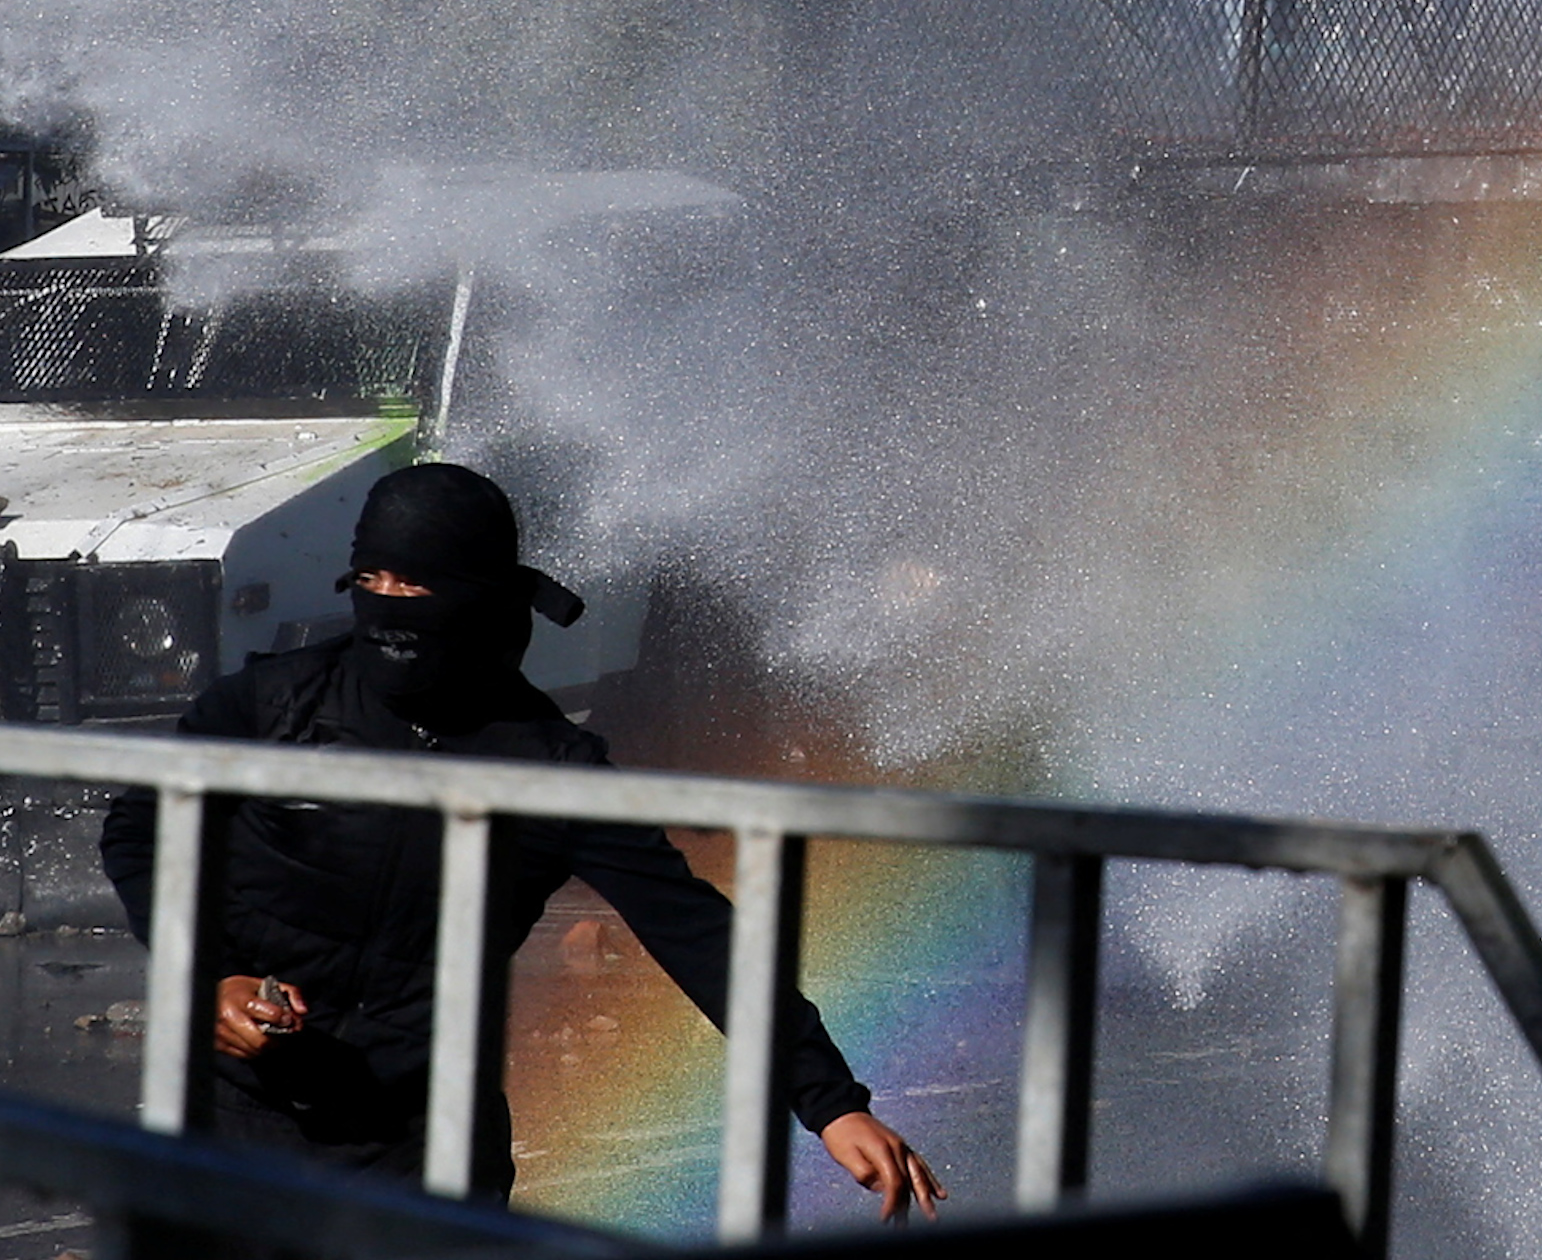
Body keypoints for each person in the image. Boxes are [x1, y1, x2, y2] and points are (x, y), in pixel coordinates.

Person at [100, 462, 943, 1224]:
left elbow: (695, 930)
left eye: (416, 583)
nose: (388, 601)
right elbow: (140, 831)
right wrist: (207, 973)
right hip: (228, 1121)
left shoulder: (549, 765)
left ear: (480, 595)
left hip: (419, 1148)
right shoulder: (270, 707)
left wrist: (831, 1102)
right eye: (371, 577)